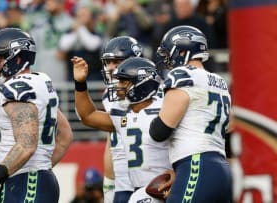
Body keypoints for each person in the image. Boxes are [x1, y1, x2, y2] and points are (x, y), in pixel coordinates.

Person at [0, 28, 66, 203]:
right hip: (31, 178)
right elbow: (65, 135)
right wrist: (42, 167)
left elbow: (26, 145)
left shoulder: (16, 87)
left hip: (24, 182)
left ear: (17, 58)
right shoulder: (42, 80)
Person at [72, 55, 173, 203]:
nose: (118, 85)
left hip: (165, 187)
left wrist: (179, 173)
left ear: (141, 82)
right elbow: (88, 116)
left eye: (124, 81)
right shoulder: (122, 113)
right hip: (139, 189)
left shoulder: (166, 109)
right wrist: (80, 84)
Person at [149, 25, 232, 202]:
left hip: (196, 163)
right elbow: (229, 130)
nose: (168, 60)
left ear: (181, 51)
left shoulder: (182, 75)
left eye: (169, 53)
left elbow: (159, 131)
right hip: (222, 169)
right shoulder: (220, 82)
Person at [99, 36, 143, 203]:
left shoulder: (155, 91)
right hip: (123, 179)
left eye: (116, 61)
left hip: (149, 175)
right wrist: (109, 183)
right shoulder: (109, 95)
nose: (110, 67)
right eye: (108, 62)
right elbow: (111, 141)